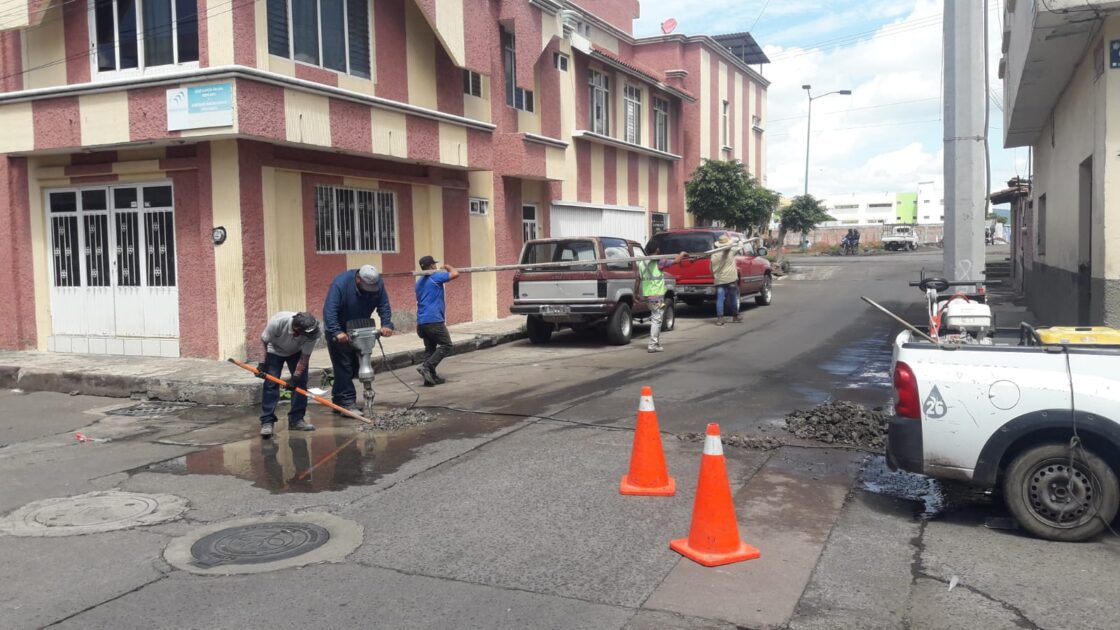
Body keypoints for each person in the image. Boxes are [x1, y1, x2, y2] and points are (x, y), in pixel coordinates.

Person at [322, 264, 394, 412]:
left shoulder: (377, 282)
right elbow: (330, 310)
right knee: (344, 366)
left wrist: (386, 324)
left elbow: (384, 305)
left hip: (360, 326)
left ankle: (338, 402)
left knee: (356, 367)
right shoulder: (341, 284)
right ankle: (348, 402)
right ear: (359, 279)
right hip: (340, 330)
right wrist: (337, 332)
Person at [256, 311, 320, 438]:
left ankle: (296, 420)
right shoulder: (278, 323)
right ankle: (267, 422)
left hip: (296, 352)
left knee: (300, 383)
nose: (310, 336)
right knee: (271, 383)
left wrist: (295, 377)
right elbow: (263, 341)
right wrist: (262, 364)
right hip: (274, 351)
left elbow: (305, 357)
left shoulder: (312, 333)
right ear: (296, 328)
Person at [414, 255, 460, 386]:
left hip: (422, 322)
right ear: (431, 266)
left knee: (430, 350)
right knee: (446, 345)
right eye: (434, 264)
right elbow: (455, 274)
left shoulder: (419, 283)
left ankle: (430, 378)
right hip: (433, 320)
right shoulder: (435, 277)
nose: (435, 266)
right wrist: (447, 267)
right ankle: (426, 366)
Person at [640, 244, 688, 353]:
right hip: (656, 296)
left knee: (657, 317)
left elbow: (640, 279)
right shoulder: (659, 262)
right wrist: (682, 254)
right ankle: (653, 345)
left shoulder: (641, 262)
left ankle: (655, 343)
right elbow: (675, 261)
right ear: (657, 250)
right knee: (657, 320)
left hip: (648, 296)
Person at [710, 232, 741, 325]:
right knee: (733, 298)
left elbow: (711, 268)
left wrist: (714, 276)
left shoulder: (714, 254)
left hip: (719, 279)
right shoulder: (731, 251)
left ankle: (720, 319)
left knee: (720, 299)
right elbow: (740, 246)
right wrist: (739, 242)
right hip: (731, 278)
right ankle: (735, 317)